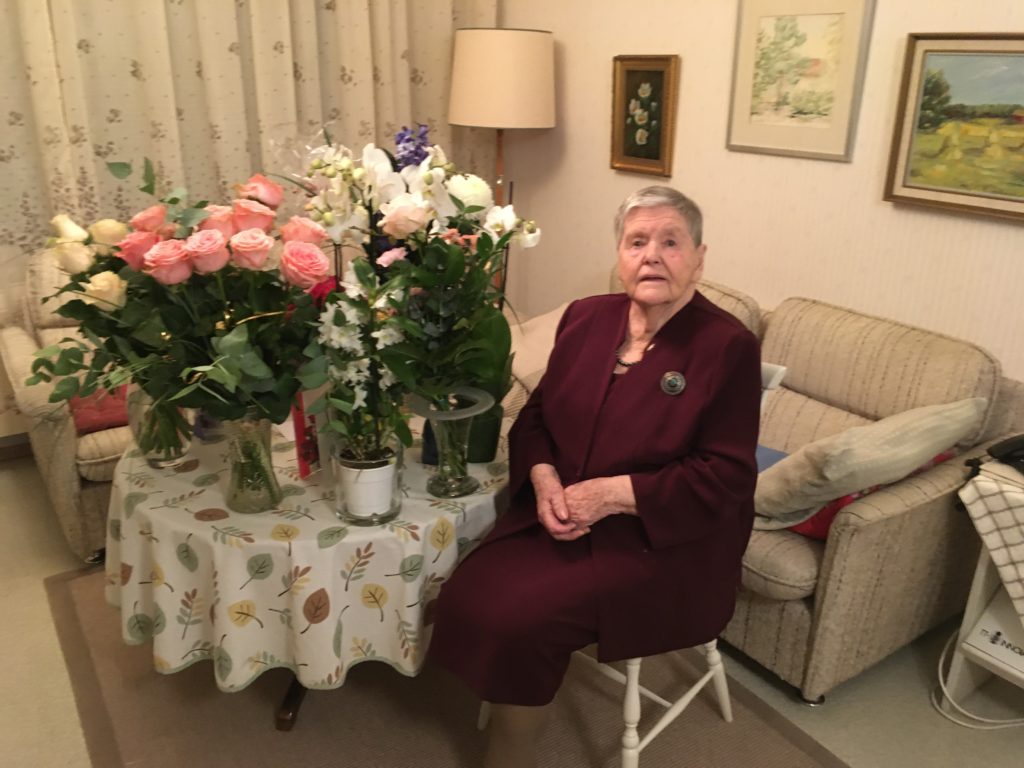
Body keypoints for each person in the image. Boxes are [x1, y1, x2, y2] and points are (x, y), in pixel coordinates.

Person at [428, 186, 761, 768]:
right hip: (559, 512)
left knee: (520, 621)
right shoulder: (586, 318)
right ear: (620, 255)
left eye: (670, 242)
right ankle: (511, 696)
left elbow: (726, 475)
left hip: (659, 542)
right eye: (637, 241)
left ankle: (508, 756)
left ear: (699, 259)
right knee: (468, 591)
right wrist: (543, 479)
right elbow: (536, 414)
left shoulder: (727, 346)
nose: (651, 255)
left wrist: (610, 496)